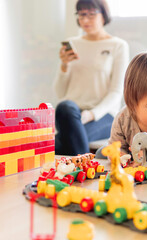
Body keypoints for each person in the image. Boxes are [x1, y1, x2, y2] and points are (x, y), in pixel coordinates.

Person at [54, 0, 129, 155]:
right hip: (72, 114)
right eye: (81, 14)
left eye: (91, 14)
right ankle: (86, 172)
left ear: (103, 15)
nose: (85, 20)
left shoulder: (118, 46)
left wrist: (91, 114)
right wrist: (64, 65)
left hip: (103, 115)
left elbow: (116, 91)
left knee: (62, 141)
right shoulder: (71, 43)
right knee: (64, 107)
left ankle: (78, 171)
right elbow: (60, 93)